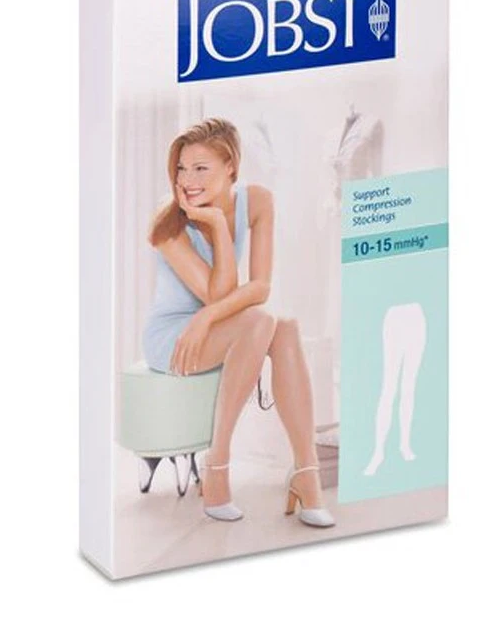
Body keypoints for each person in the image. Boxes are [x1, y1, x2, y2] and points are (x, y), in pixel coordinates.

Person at [143, 117, 335, 527]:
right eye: (181, 168)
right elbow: (221, 293)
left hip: (213, 323)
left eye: (200, 168)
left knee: (285, 327)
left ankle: (307, 474)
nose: (187, 180)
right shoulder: (168, 222)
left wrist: (207, 317)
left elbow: (260, 286)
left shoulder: (258, 201)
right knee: (259, 321)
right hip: (174, 336)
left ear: (231, 166)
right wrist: (214, 224)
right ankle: (218, 463)